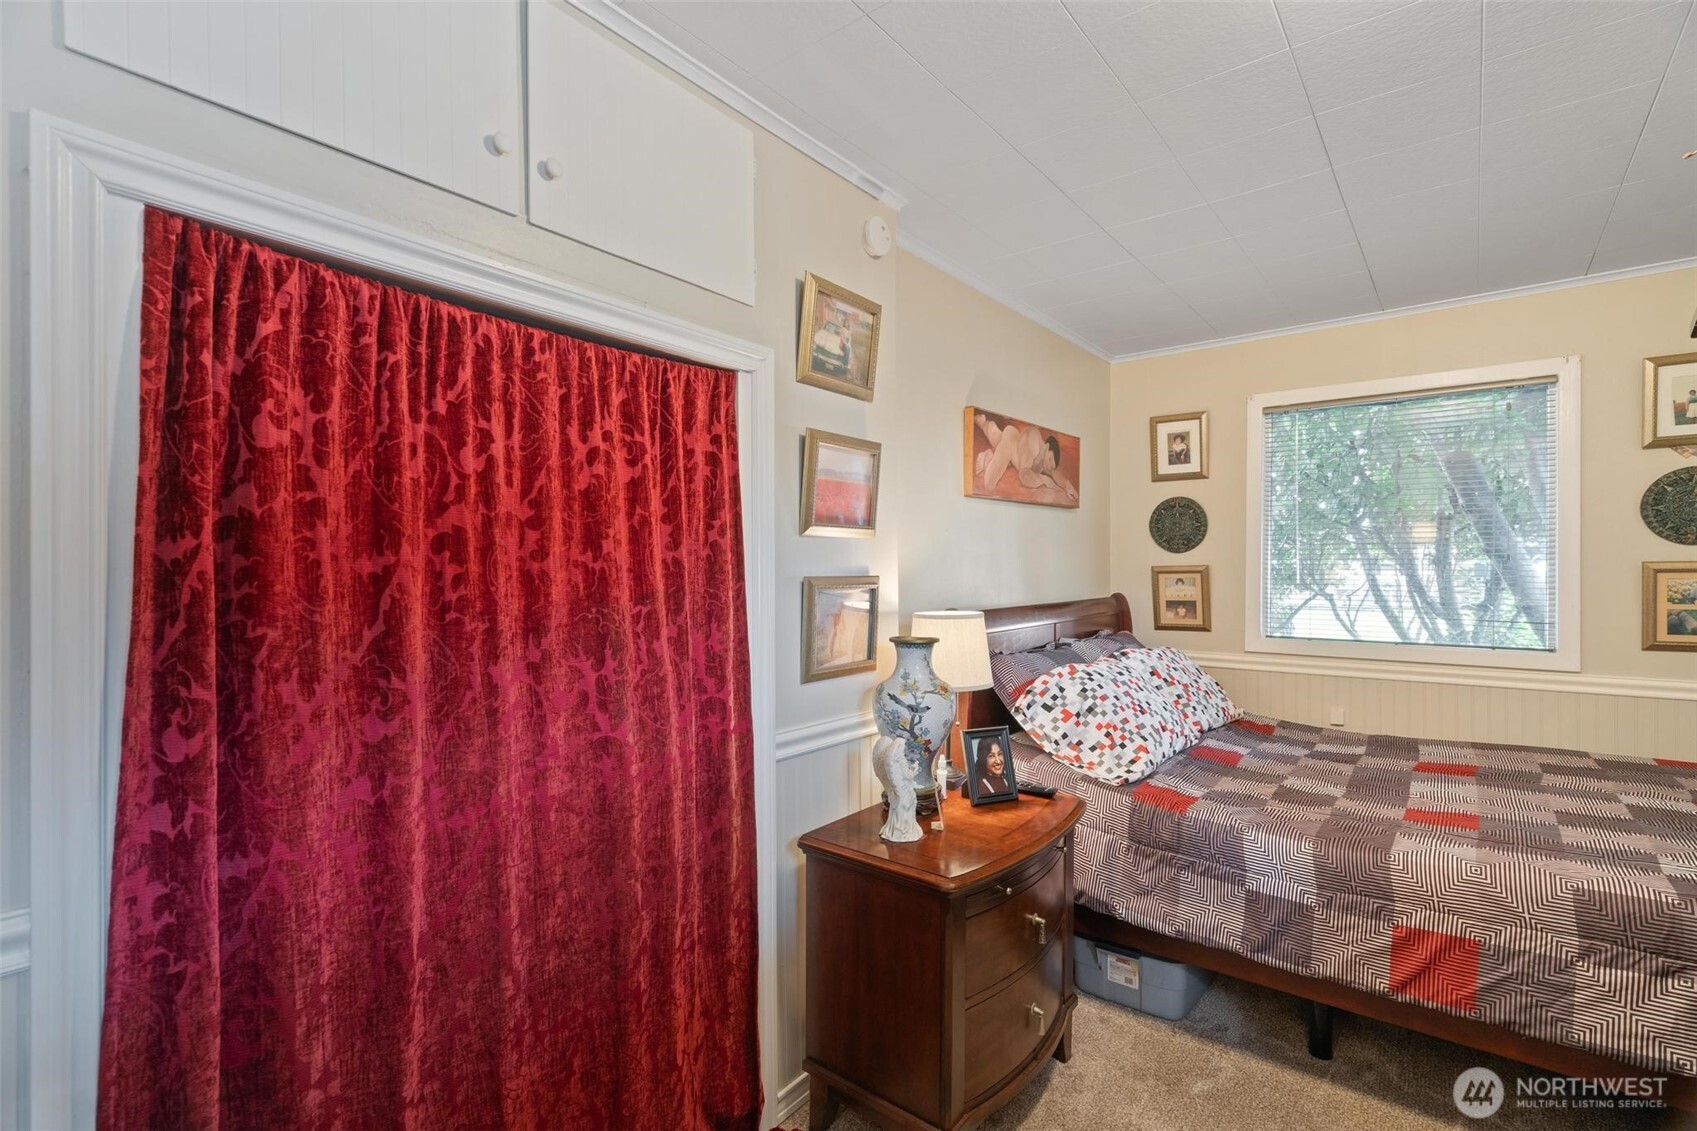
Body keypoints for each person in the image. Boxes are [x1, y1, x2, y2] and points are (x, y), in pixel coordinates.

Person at [973, 412, 1077, 503]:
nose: (1048, 466)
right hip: (1010, 443)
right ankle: (986, 457)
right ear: (1046, 446)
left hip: (1016, 447)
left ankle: (982, 421)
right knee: (988, 485)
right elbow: (1024, 475)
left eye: (1051, 466)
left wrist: (1067, 485)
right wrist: (1043, 479)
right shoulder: (1034, 443)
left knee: (995, 435)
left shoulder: (1046, 460)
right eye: (1049, 460)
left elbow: (1055, 473)